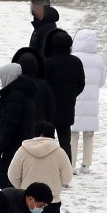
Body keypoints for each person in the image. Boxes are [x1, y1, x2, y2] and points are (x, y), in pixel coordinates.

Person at [0, 63, 36, 189]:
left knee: (9, 182)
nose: (0, 79)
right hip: (21, 142)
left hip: (13, 145)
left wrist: (2, 148)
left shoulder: (14, 96)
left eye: (1, 76)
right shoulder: (22, 93)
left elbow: (10, 125)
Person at [42, 29, 85, 162]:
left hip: (50, 109)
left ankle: (49, 167)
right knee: (65, 142)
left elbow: (44, 86)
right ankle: (66, 169)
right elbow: (81, 84)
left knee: (48, 142)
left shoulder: (48, 63)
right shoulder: (76, 62)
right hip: (68, 107)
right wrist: (71, 95)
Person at [70, 30, 105, 175]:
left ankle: (71, 165)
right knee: (89, 134)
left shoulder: (73, 58)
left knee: (73, 133)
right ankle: (86, 164)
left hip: (75, 99)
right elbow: (101, 82)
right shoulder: (98, 60)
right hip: (91, 102)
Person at [12, 47, 53, 126]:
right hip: (40, 129)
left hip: (21, 129)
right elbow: (51, 108)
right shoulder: (43, 84)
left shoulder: (15, 84)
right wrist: (45, 123)